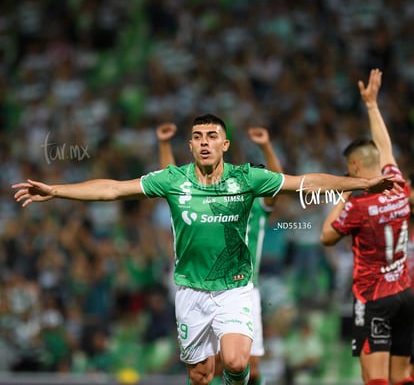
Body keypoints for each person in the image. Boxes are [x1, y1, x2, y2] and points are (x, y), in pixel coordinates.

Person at [13, 113, 399, 385]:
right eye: (197, 137)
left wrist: (359, 185)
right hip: (190, 292)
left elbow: (303, 182)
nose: (204, 142)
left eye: (212, 136)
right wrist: (56, 190)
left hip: (235, 288)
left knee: (234, 360)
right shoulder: (174, 179)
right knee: (201, 375)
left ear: (225, 144)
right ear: (191, 145)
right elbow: (113, 188)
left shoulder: (248, 178)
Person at [156, 122, 283, 385]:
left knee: (249, 364)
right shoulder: (218, 197)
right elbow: (170, 180)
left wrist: (266, 146)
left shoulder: (259, 206)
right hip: (201, 284)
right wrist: (165, 144)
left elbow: (279, 184)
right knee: (209, 366)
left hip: (244, 286)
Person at [321, 69, 414, 385]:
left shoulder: (359, 205)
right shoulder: (400, 185)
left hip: (373, 299)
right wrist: (372, 105)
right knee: (402, 376)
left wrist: (345, 188)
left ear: (356, 167)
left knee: (374, 378)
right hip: (404, 293)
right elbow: (385, 148)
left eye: (349, 169)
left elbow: (326, 236)